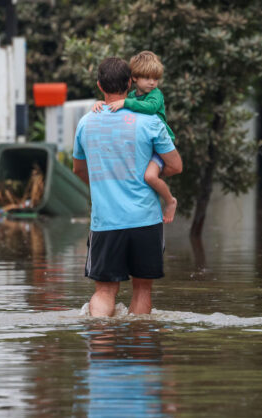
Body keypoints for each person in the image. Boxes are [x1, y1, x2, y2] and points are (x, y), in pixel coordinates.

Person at [73, 57, 182, 317]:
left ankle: (101, 345)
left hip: (106, 221)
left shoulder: (86, 123)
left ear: (100, 85)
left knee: (104, 291)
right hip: (145, 219)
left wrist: (103, 186)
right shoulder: (150, 121)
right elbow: (175, 166)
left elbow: (78, 170)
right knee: (142, 290)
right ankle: (141, 351)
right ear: (130, 82)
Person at [92, 51, 178, 223]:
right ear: (135, 78)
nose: (153, 82)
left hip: (158, 147)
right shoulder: (131, 96)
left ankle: (170, 200)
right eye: (147, 78)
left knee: (150, 177)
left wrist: (125, 103)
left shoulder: (155, 95)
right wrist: (101, 103)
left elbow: (150, 108)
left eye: (156, 78)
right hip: (143, 146)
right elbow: (116, 104)